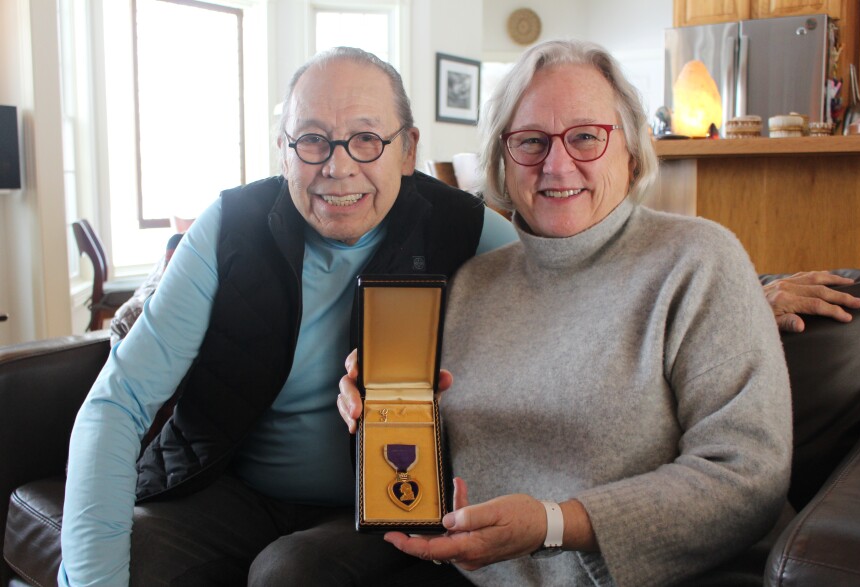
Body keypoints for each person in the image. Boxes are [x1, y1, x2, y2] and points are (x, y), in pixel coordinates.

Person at [336, 40, 822, 587]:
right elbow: (436, 449)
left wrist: (554, 523)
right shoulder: (474, 282)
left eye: (586, 137)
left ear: (632, 152)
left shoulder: (699, 259)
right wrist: (381, 402)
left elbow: (746, 477)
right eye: (531, 141)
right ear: (503, 157)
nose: (557, 163)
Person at [57, 47, 517, 587]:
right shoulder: (230, 224)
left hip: (390, 503)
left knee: (289, 575)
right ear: (283, 151)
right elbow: (119, 402)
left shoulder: (468, 229)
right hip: (235, 490)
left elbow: (559, 338)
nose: (337, 166)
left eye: (367, 139)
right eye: (312, 139)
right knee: (141, 563)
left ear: (407, 149)